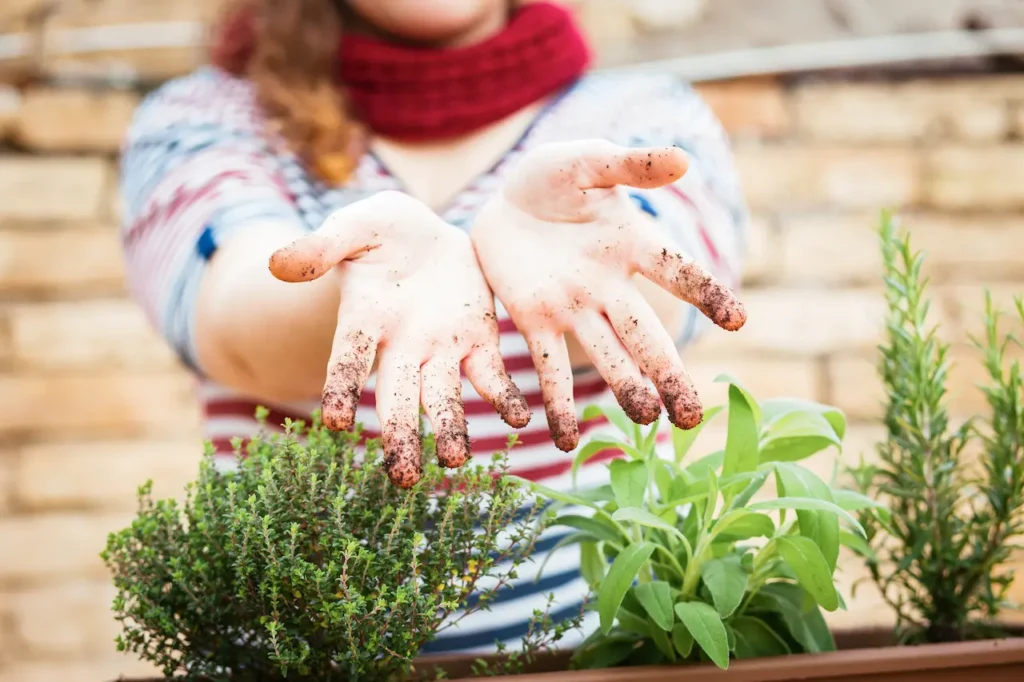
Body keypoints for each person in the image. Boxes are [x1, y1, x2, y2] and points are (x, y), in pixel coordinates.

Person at [118, 0, 748, 655]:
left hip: (612, 657)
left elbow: (672, 292)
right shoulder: (207, 119)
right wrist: (365, 272)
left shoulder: (641, 114)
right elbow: (237, 327)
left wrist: (560, 243)